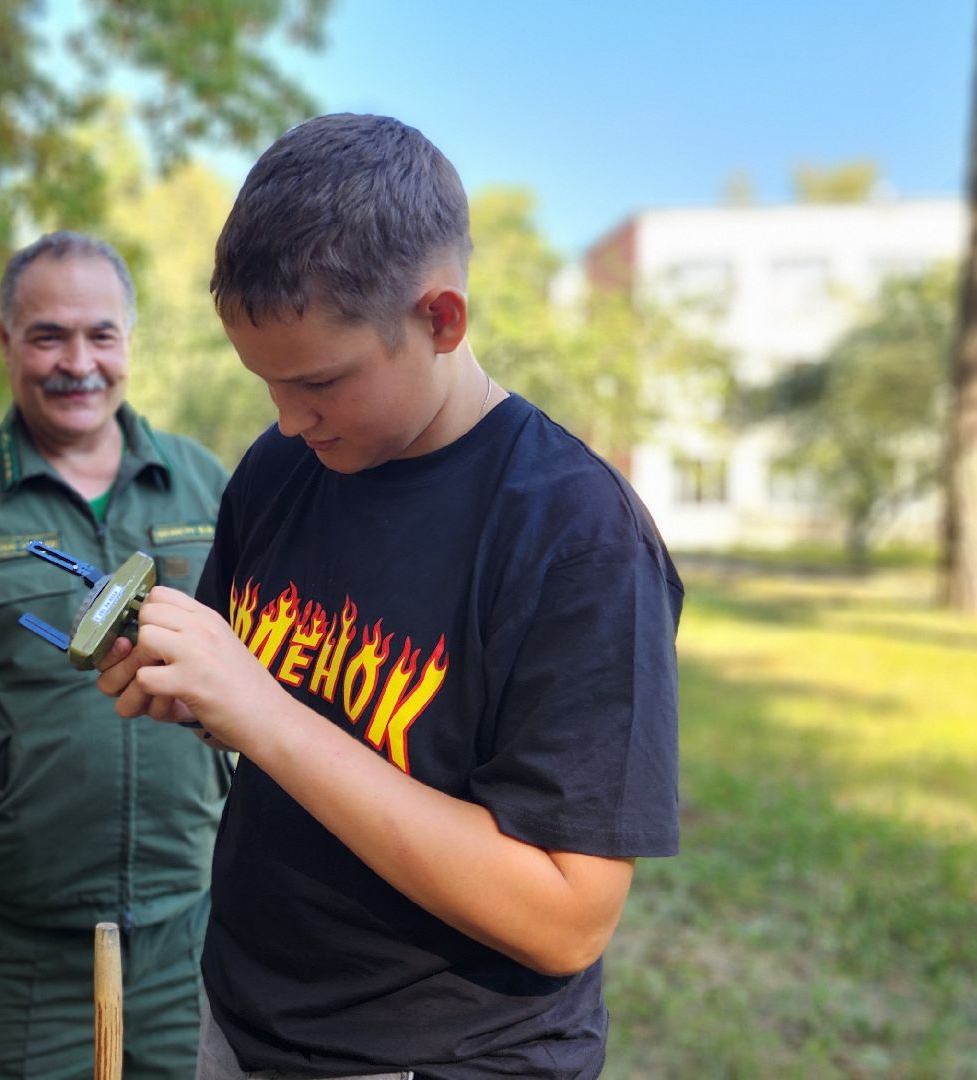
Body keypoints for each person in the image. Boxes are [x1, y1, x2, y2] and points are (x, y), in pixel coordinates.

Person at [97, 114, 683, 1079]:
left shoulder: (579, 538)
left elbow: (567, 918)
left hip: (443, 1057)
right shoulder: (285, 466)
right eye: (267, 384)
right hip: (244, 1023)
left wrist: (263, 713)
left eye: (321, 380)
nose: (288, 419)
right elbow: (263, 706)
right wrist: (185, 689)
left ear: (440, 319)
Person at [0, 231, 234, 1079]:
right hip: (11, 951)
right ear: (6, 342)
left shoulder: (203, 485)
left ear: (128, 344)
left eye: (100, 335)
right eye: (48, 336)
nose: (79, 362)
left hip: (191, 937)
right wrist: (2, 801)